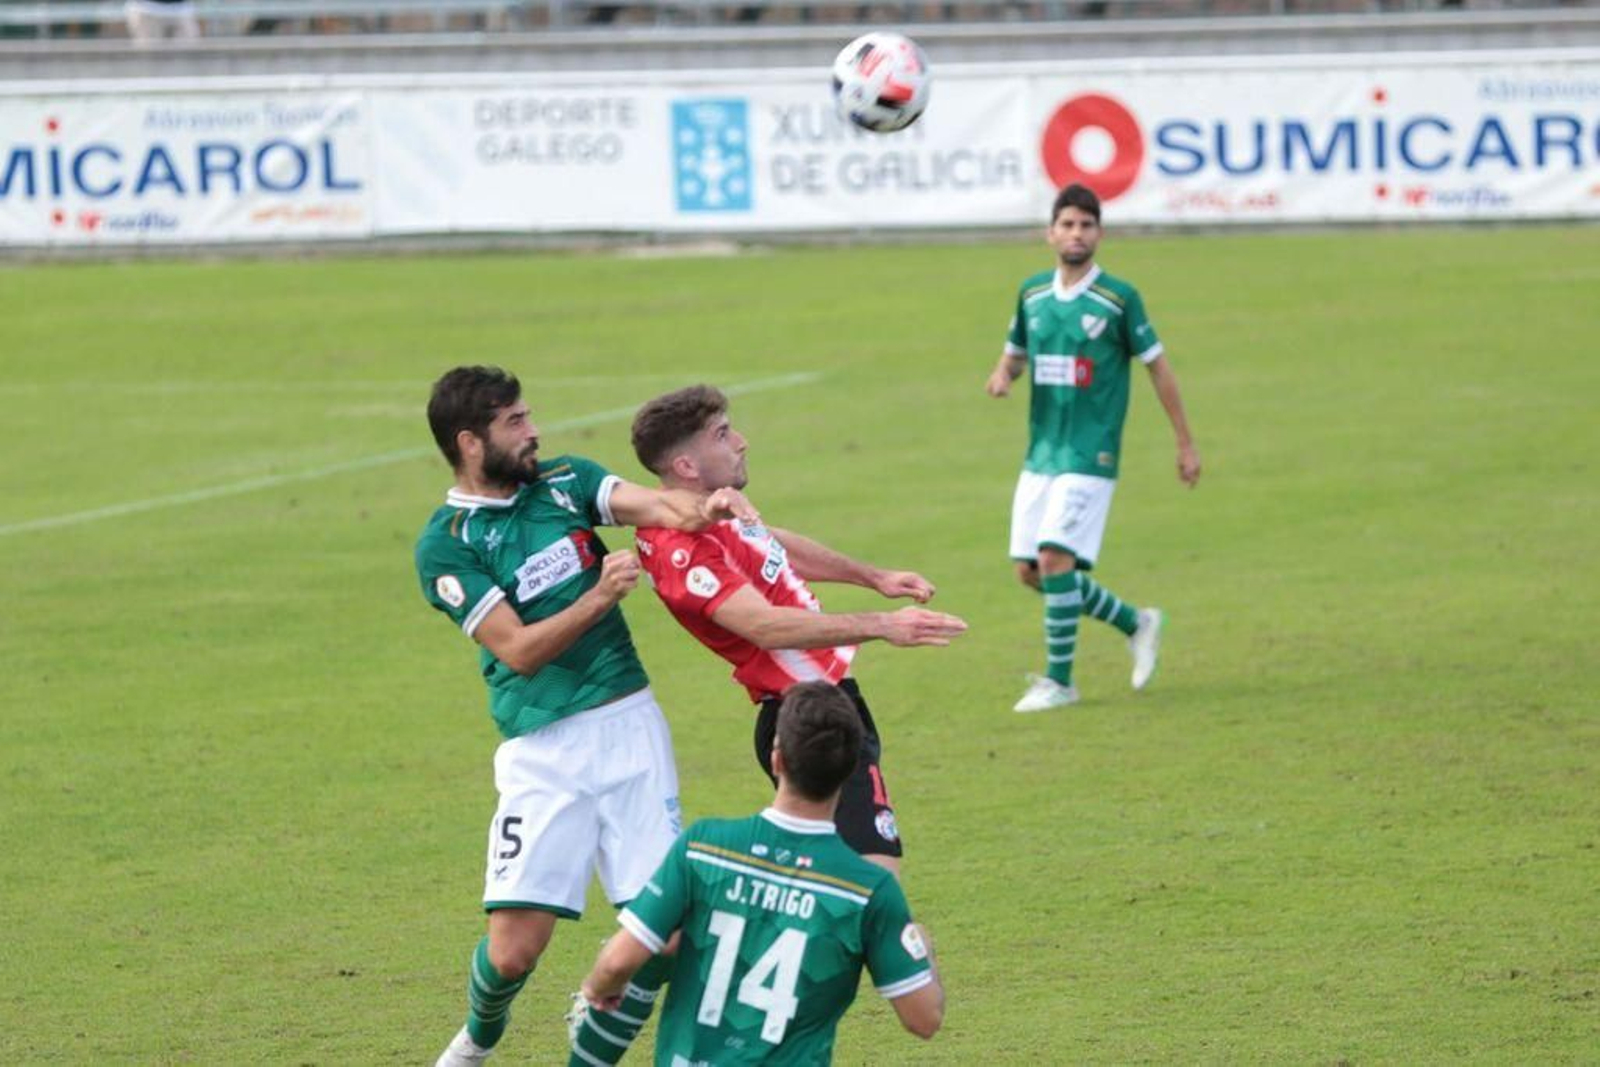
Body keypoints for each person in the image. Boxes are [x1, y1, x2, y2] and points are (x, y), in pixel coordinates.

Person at [414, 366, 758, 1067]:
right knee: (512, 953)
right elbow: (516, 649)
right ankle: (479, 1036)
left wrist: (708, 505)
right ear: (470, 443)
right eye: (515, 422)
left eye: (528, 414)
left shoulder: (567, 481)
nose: (533, 429)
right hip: (541, 752)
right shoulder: (448, 543)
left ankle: (591, 1037)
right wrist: (599, 597)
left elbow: (661, 507)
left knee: (663, 939)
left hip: (629, 727)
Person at [626, 385, 966, 883]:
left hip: (821, 702)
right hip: (803, 718)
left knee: (837, 886)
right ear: (686, 467)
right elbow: (764, 626)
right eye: (722, 434)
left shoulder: (712, 508)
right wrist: (884, 625)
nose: (740, 441)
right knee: (874, 884)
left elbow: (771, 544)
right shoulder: (680, 546)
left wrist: (873, 576)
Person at [580, 680, 944, 1064]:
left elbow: (618, 962)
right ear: (852, 767)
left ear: (776, 759)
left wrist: (599, 986)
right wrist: (922, 944)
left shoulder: (704, 846)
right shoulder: (868, 889)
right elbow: (924, 1019)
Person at [985, 182, 1200, 713]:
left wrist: (1185, 442)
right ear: (1050, 232)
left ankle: (1060, 682)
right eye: (1068, 224)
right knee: (1031, 573)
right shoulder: (1032, 293)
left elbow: (1159, 368)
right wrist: (1002, 374)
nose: (1076, 233)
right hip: (1043, 454)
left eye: (1086, 225)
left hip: (1092, 454)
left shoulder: (1118, 299)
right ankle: (1136, 622)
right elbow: (1015, 352)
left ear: (1099, 234)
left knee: (1056, 558)